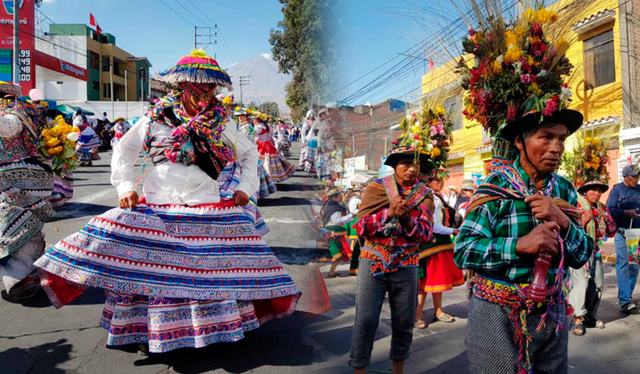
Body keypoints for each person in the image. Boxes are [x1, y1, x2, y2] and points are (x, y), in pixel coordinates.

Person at [34, 50, 301, 354]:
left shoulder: (222, 123)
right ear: (181, 86)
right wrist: (123, 186)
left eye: (210, 88)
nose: (204, 93)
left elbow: (250, 154)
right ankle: (156, 330)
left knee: (228, 258)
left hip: (206, 205)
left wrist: (246, 187)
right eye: (196, 86)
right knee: (113, 240)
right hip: (159, 207)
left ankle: (212, 327)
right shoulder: (155, 119)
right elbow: (123, 150)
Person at [455, 109, 594, 374]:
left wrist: (562, 221)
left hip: (551, 314)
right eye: (546, 137)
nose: (556, 148)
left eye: (561, 139)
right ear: (520, 141)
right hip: (497, 316)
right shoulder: (495, 187)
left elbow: (582, 253)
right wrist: (519, 245)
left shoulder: (564, 190)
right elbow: (464, 251)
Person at [349, 145, 434, 374]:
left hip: (407, 264)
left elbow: (426, 235)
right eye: (405, 163)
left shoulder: (425, 195)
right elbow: (361, 227)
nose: (412, 169)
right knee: (365, 320)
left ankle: (398, 369)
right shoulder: (376, 189)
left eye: (415, 163)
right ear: (394, 166)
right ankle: (359, 369)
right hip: (373, 260)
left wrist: (406, 219)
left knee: (404, 322)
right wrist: (388, 213)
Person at [0, 82, 55, 301]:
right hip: (10, 177)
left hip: (22, 178)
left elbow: (8, 127)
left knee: (16, 222)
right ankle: (19, 274)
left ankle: (21, 275)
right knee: (14, 224)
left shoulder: (18, 111)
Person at [414, 176, 465, 329]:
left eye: (441, 179)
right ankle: (417, 315)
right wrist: (453, 231)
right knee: (424, 282)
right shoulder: (427, 197)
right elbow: (432, 225)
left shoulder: (438, 197)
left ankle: (438, 310)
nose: (440, 182)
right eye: (436, 180)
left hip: (441, 242)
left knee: (438, 280)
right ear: (427, 182)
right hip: (431, 244)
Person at [569, 179, 616, 336]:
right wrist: (585, 220)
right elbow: (567, 228)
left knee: (598, 283)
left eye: (599, 191)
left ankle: (590, 315)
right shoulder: (577, 206)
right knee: (581, 283)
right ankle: (577, 318)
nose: (596, 193)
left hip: (595, 251)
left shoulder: (602, 208)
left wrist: (606, 217)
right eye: (593, 190)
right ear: (584, 192)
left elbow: (612, 231)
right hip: (579, 251)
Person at [606, 164, 640, 313]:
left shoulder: (639, 189)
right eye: (634, 177)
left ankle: (628, 296)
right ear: (626, 177)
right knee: (622, 265)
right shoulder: (617, 190)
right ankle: (625, 301)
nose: (636, 179)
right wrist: (626, 212)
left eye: (638, 176)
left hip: (636, 235)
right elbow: (611, 210)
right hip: (623, 233)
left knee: (634, 265)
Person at [321, 188, 353, 278]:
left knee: (338, 255)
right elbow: (337, 221)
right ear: (334, 198)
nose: (342, 197)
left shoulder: (329, 206)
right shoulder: (335, 208)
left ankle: (331, 272)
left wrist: (347, 219)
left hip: (331, 231)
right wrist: (351, 215)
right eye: (339, 196)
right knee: (337, 254)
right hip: (333, 233)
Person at [255, 114, 296, 183]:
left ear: (257, 120)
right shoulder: (267, 126)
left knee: (264, 161)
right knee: (271, 161)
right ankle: (272, 177)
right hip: (269, 144)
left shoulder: (258, 127)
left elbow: (256, 137)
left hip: (261, 145)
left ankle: (266, 177)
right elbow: (271, 135)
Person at [346, 185, 364, 276]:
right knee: (355, 239)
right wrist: (362, 210)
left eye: (360, 190)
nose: (360, 192)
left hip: (360, 219)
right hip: (355, 219)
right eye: (358, 191)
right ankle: (352, 250)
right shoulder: (354, 200)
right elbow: (352, 210)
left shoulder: (359, 199)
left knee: (357, 240)